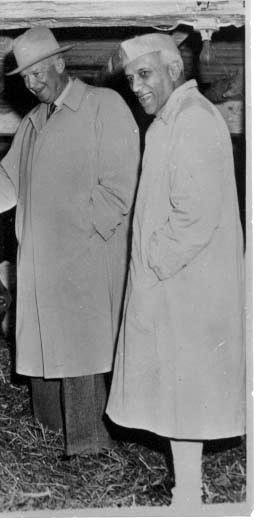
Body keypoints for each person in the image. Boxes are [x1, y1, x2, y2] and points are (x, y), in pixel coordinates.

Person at [0, 26, 140, 455]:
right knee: (46, 346)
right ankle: (48, 437)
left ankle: (88, 449)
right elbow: (7, 181)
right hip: (39, 261)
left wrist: (81, 236)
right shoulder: (31, 123)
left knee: (79, 351)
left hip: (84, 258)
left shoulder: (103, 107)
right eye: (25, 77)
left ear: (61, 63)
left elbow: (122, 184)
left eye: (38, 73)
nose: (31, 83)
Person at [105, 33, 245, 509]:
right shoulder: (169, 121)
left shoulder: (193, 121)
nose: (137, 87)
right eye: (130, 79)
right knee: (181, 395)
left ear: (173, 70)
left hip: (189, 285)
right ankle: (186, 491)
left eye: (145, 75)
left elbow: (196, 213)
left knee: (189, 392)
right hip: (177, 282)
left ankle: (189, 497)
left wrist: (154, 260)